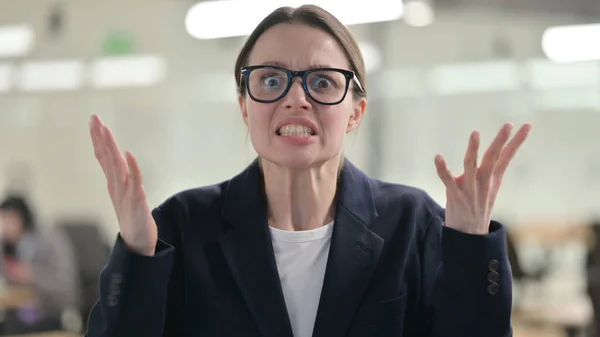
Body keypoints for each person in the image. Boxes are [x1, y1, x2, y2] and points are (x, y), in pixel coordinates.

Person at [85, 4, 532, 337]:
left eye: (322, 82)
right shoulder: (181, 226)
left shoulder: (414, 223)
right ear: (245, 107)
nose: (296, 98)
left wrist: (471, 248)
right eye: (270, 80)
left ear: (355, 112)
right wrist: (136, 257)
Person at [0, 195, 80, 334]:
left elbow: (65, 286)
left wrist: (32, 276)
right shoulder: (9, 244)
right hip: (19, 307)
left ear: (23, 219)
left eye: (9, 220)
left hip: (49, 308)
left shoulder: (50, 240)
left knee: (17, 324)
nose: (5, 227)